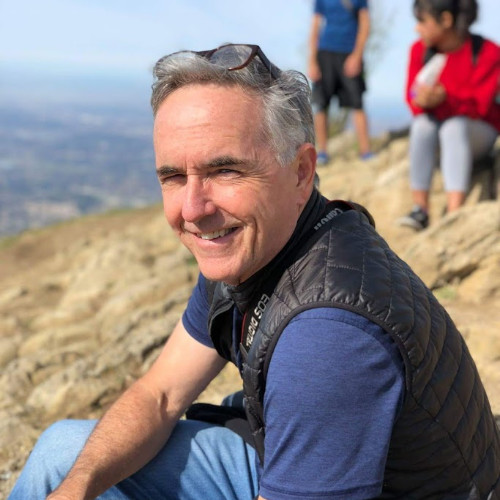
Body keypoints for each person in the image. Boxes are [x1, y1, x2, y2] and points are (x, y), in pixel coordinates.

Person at [9, 43, 500, 500]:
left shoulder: (326, 339)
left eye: (226, 170)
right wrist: (77, 488)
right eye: (174, 176)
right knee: (63, 455)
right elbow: (160, 395)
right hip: (294, 461)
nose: (194, 209)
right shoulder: (255, 247)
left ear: (301, 172)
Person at [398, 0, 500, 231]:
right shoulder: (419, 51)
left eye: (422, 21)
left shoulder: (488, 52)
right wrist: (422, 100)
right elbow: (411, 97)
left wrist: (444, 100)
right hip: (438, 133)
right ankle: (420, 210)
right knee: (421, 124)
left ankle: (454, 213)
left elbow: (481, 107)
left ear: (446, 20)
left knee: (453, 127)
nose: (417, 28)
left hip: (477, 134)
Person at [308, 0, 373, 165]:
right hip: (325, 53)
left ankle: (365, 151)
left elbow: (365, 24)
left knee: (358, 103)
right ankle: (322, 153)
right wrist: (312, 60)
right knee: (321, 104)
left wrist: (357, 56)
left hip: (349, 53)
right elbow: (315, 26)